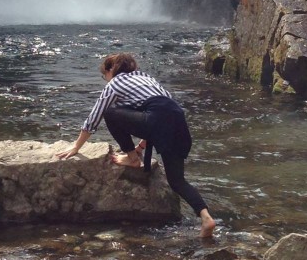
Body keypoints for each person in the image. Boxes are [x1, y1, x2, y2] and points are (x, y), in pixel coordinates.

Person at [57, 52, 216, 239]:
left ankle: (132, 159)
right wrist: (140, 148)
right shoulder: (147, 78)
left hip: (157, 119)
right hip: (179, 123)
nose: (105, 80)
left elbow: (95, 116)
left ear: (110, 70)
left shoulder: (115, 83)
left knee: (110, 112)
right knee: (177, 181)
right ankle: (206, 218)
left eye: (104, 75)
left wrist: (76, 147)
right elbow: (162, 114)